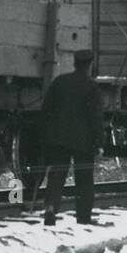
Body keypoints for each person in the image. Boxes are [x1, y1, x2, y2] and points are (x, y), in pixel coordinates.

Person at [42, 49, 103, 226]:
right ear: (89, 65)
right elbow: (96, 117)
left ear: (75, 64)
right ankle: (83, 217)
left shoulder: (59, 82)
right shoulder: (92, 87)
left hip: (59, 139)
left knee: (56, 175)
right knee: (84, 178)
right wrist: (100, 141)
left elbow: (46, 110)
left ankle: (51, 208)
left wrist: (49, 135)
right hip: (83, 142)